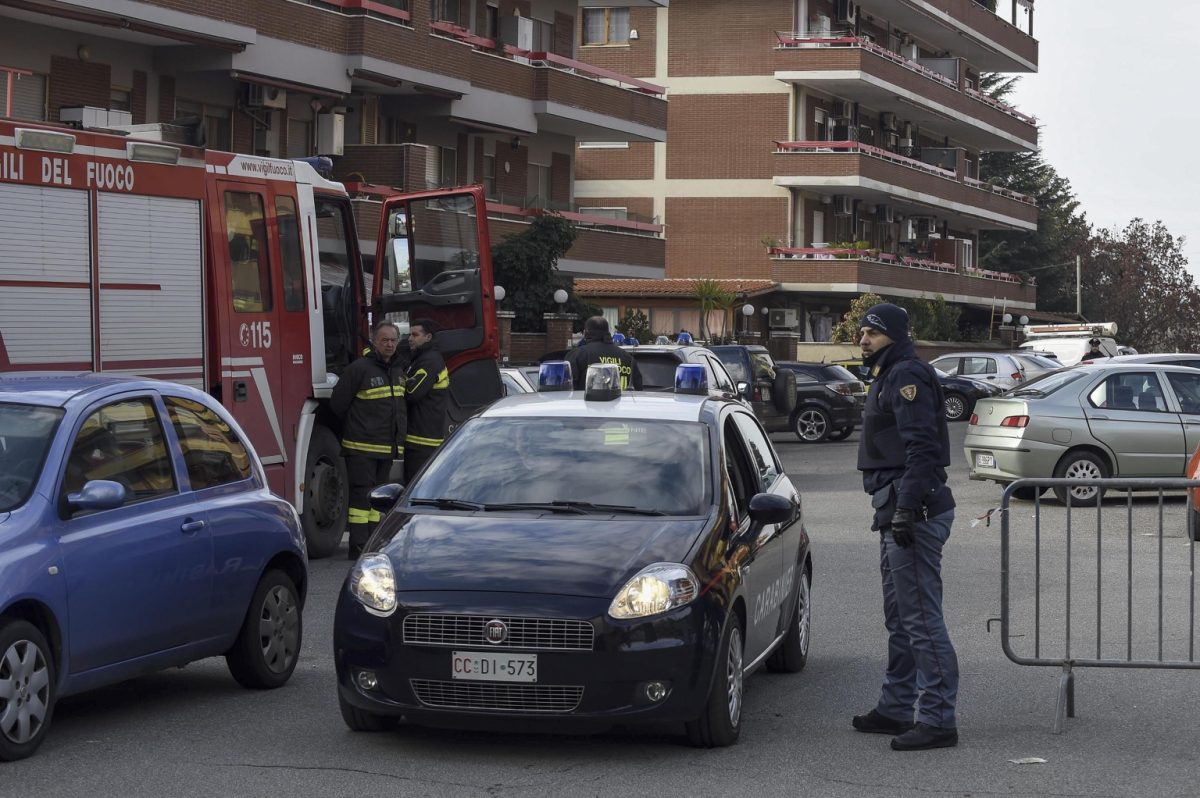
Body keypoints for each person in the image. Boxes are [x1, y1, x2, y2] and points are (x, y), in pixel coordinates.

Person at [852, 302, 959, 751]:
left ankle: (938, 720)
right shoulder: (889, 373)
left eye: (872, 333)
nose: (863, 340)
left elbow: (922, 449)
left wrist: (906, 510)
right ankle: (897, 709)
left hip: (913, 510)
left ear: (893, 336)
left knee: (920, 620)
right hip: (894, 507)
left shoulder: (907, 375)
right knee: (900, 617)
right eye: (861, 332)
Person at [330, 321, 407, 559]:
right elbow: (338, 404)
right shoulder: (359, 369)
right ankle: (358, 547)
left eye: (393, 340)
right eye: (385, 340)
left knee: (378, 498)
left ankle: (372, 544)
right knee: (361, 500)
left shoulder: (398, 369)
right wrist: (358, 428)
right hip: (361, 447)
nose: (390, 344)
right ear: (374, 341)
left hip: (386, 447)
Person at [404, 318, 449, 483]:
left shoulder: (429, 361)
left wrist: (400, 380)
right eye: (409, 335)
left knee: (415, 485)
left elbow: (412, 393)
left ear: (428, 337)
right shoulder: (422, 358)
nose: (410, 339)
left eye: (415, 335)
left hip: (422, 440)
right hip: (422, 438)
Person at [565, 316, 644, 391]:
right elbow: (638, 390)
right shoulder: (628, 357)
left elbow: (568, 388)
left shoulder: (577, 355)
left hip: (586, 404)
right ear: (608, 332)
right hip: (621, 404)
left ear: (585, 333)